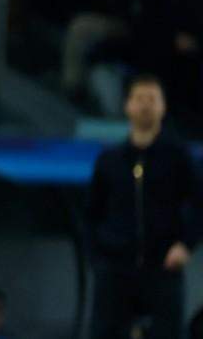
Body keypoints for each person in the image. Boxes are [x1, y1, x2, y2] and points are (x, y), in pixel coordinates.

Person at [87, 75, 203, 339]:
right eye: (139, 98)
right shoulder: (110, 160)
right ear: (127, 106)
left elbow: (199, 204)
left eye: (152, 99)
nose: (145, 105)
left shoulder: (177, 156)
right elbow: (92, 214)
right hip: (115, 267)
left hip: (163, 265)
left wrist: (186, 244)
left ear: (163, 106)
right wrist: (97, 258)